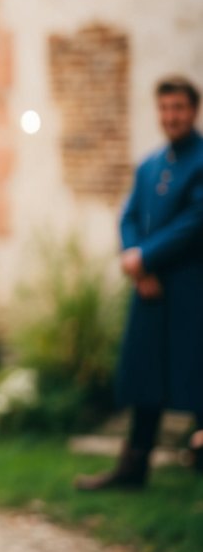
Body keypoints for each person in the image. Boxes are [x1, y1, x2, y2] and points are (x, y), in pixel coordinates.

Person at [77, 75, 203, 489]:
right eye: (165, 108)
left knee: (196, 373)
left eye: (179, 108)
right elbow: (129, 216)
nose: (171, 116)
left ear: (194, 110)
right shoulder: (151, 165)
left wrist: (146, 256)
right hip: (149, 290)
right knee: (146, 376)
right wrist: (137, 264)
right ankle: (133, 467)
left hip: (190, 290)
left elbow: (195, 221)